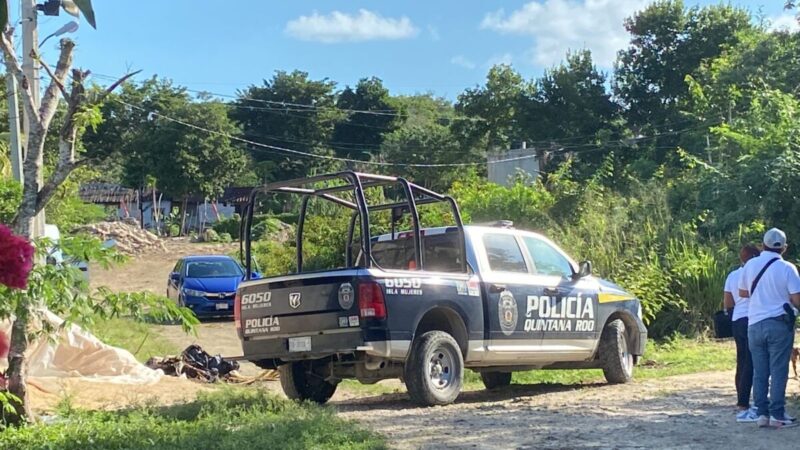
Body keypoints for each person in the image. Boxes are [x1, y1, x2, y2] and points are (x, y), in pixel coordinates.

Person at [738, 228, 800, 428]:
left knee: (759, 371)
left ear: (762, 245)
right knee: (779, 370)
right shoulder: (787, 268)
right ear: (784, 248)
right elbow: (796, 298)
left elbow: (743, 292)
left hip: (754, 324)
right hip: (779, 324)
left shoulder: (751, 265)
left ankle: (761, 413)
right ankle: (777, 414)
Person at [723, 244, 760, 422]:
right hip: (753, 318)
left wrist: (734, 317)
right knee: (751, 362)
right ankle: (747, 401)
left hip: (737, 319)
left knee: (741, 360)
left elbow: (728, 302)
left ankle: (741, 399)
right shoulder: (755, 273)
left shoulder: (732, 275)